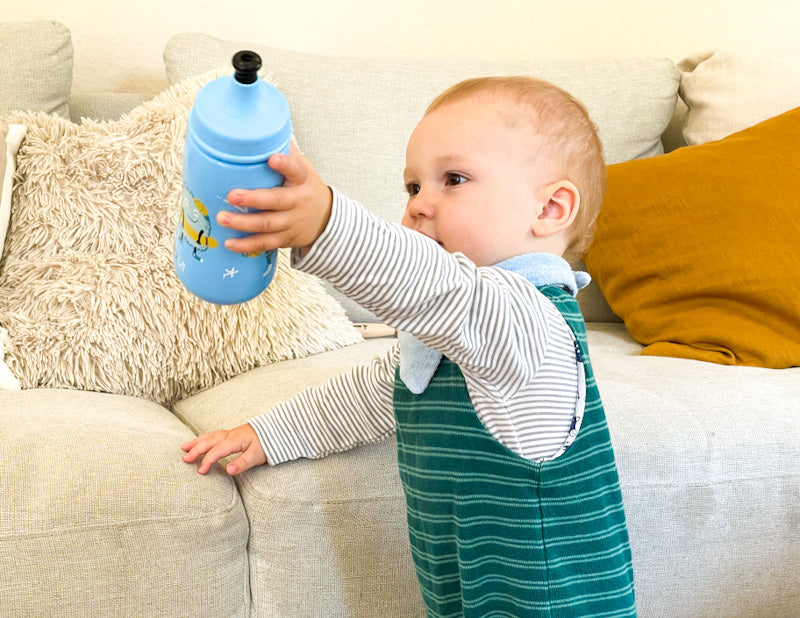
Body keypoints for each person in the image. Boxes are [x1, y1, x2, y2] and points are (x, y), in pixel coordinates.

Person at [182, 76, 636, 617]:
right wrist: (269, 433)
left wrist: (326, 224)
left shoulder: (529, 325)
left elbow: (437, 287)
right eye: (413, 187)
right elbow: (379, 392)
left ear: (551, 210)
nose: (420, 204)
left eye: (455, 179)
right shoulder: (456, 339)